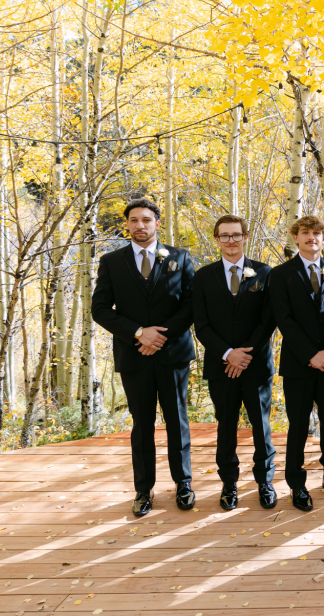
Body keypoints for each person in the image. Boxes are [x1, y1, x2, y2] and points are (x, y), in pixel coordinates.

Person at [91, 198, 196, 517]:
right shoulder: (111, 261)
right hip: (134, 354)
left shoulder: (180, 257)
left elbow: (192, 305)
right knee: (142, 423)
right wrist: (139, 333)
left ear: (157, 224)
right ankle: (143, 489)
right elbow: (100, 309)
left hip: (173, 353)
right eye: (134, 220)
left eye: (146, 220)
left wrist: (159, 336)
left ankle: (183, 484)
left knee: (177, 419)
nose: (140, 225)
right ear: (127, 224)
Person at [192, 214, 278, 511]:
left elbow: (269, 319)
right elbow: (201, 324)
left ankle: (265, 481)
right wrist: (229, 354)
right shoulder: (203, 276)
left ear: (245, 237)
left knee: (261, 425)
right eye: (225, 236)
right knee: (226, 425)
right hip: (221, 366)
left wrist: (245, 355)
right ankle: (229, 483)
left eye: (236, 235)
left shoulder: (265, 272)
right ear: (216, 239)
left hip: (256, 364)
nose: (231, 241)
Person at [269, 215, 324, 512]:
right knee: (299, 425)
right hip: (298, 363)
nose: (311, 237)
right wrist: (310, 354)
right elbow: (284, 319)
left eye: (317, 233)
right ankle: (296, 483)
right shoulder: (280, 274)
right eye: (305, 232)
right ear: (296, 237)